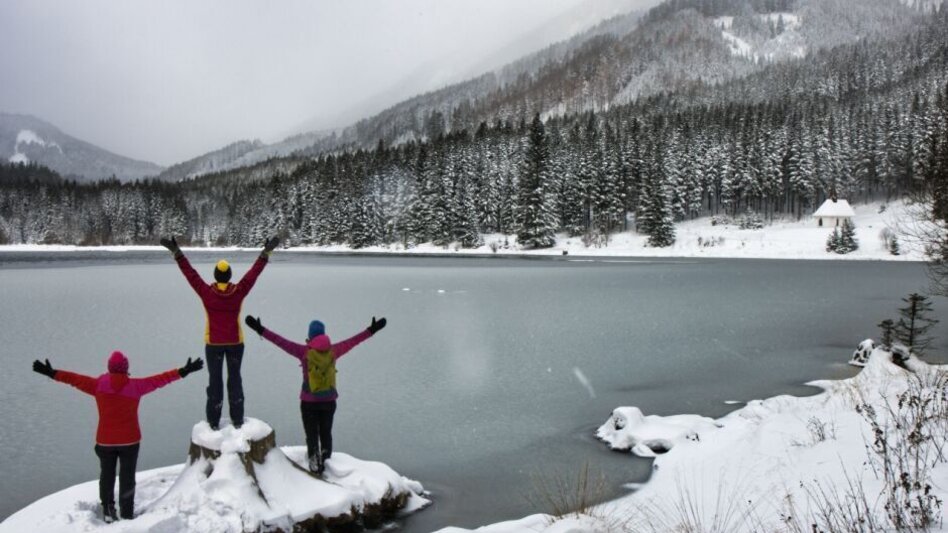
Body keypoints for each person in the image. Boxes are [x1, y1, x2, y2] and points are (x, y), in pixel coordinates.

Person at [32, 352, 203, 522]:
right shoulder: (136, 386)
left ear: (109, 367)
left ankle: (108, 510)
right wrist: (183, 371)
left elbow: (74, 379)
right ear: (126, 368)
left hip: (105, 441)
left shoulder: (98, 384)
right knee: (127, 477)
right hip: (130, 441)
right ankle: (127, 514)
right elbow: (160, 380)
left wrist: (52, 373)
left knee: (107, 475)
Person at [160, 235, 279, 430]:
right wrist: (265, 254)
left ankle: (213, 423)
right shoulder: (238, 291)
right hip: (235, 343)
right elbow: (252, 274)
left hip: (213, 344)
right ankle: (238, 421)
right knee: (235, 380)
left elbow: (191, 275)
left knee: (215, 382)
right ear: (229, 275)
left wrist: (177, 253)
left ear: (216, 276)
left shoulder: (207, 293)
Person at [243, 314, 386, 475]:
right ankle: (327, 462)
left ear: (310, 336)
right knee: (326, 433)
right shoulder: (334, 351)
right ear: (324, 334)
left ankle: (314, 464)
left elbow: (280, 341)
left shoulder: (304, 351)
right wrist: (371, 330)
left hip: (309, 402)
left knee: (312, 435)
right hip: (329, 401)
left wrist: (260, 330)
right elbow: (353, 341)